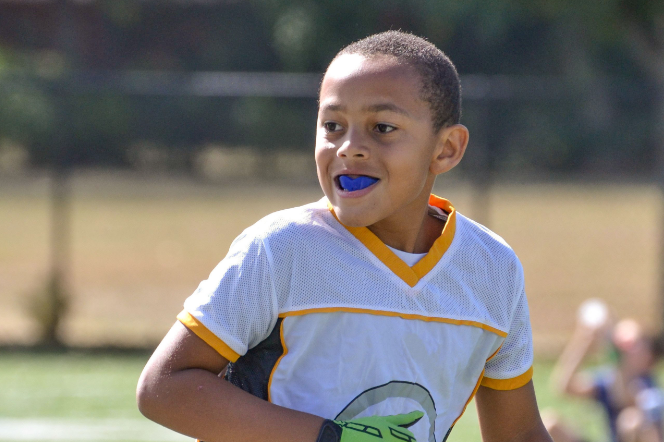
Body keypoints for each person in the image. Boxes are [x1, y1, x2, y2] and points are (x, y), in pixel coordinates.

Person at [136, 30, 552, 442]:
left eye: (383, 128)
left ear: (446, 149)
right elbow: (164, 387)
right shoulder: (283, 247)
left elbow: (519, 434)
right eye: (332, 125)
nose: (349, 147)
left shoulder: (493, 269)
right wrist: (333, 438)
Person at [547, 302, 663, 442]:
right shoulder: (610, 378)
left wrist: (617, 357)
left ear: (648, 357)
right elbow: (564, 387)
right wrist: (583, 343)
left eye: (632, 343)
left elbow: (625, 397)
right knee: (551, 424)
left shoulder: (648, 386)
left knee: (631, 421)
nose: (624, 347)